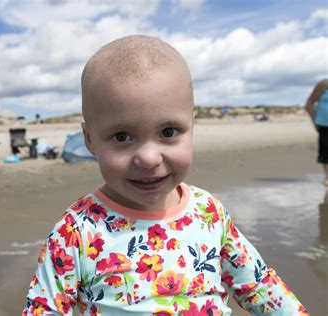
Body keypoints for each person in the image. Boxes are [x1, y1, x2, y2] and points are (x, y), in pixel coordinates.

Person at [23, 35, 307, 315]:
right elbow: (43, 310)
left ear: (191, 127)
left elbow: (258, 286)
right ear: (90, 140)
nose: (148, 158)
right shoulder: (78, 230)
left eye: (168, 132)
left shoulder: (209, 212)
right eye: (122, 136)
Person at [305, 79, 328, 186]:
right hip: (324, 124)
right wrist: (315, 122)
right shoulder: (324, 84)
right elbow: (309, 104)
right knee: (326, 153)